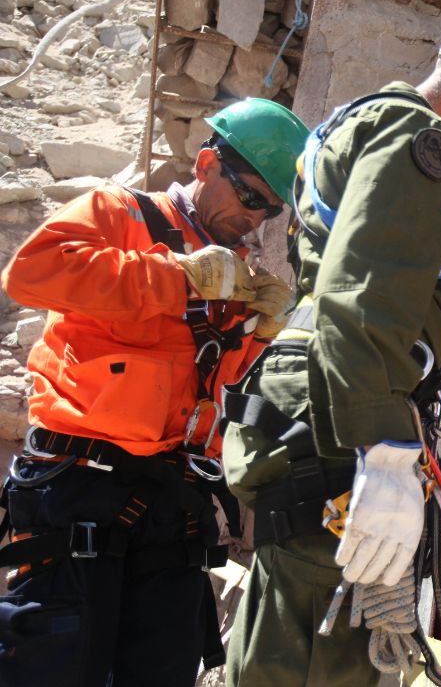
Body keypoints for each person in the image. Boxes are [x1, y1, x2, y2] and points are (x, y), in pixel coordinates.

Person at [220, 4, 441, 687]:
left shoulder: (364, 119)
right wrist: (385, 451)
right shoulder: (424, 147)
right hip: (342, 429)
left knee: (283, 641)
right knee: (322, 662)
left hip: (312, 418)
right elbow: (365, 304)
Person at [0, 97, 308, 687]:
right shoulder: (120, 214)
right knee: (53, 664)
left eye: (270, 210)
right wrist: (175, 275)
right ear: (206, 164)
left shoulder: (234, 273)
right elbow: (30, 273)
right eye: (249, 197)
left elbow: (214, 389)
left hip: (172, 504)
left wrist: (259, 335)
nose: (255, 220)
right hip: (78, 485)